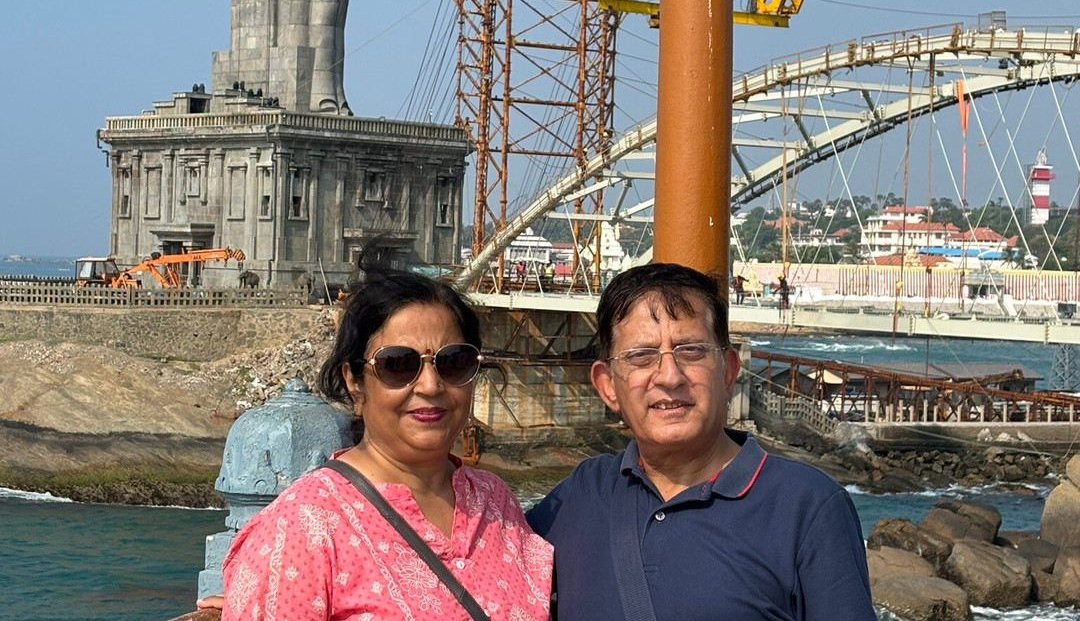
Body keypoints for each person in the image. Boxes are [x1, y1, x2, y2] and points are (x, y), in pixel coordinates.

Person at [526, 263, 874, 621]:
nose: (670, 376)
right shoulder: (581, 495)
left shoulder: (809, 507)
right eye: (642, 356)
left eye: (691, 351)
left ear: (728, 370)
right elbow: (476, 561)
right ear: (607, 386)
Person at [213, 262, 553, 620]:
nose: (430, 386)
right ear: (354, 380)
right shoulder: (304, 526)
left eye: (453, 362)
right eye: (398, 365)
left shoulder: (494, 501)